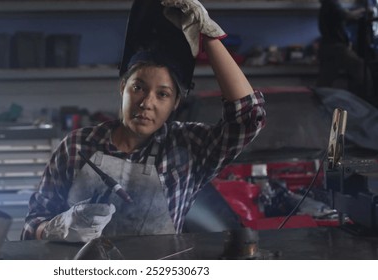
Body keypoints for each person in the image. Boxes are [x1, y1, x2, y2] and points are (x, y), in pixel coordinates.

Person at [20, 0, 266, 242]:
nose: (147, 102)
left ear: (176, 103)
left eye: (163, 94)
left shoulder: (188, 149)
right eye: (138, 87)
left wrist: (209, 36)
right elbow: (32, 226)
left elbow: (247, 118)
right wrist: (58, 228)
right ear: (122, 87)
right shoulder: (76, 146)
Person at [316, 0, 368, 98]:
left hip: (328, 47)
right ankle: (363, 99)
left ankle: (319, 99)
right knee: (359, 66)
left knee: (326, 78)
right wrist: (363, 10)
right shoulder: (331, 4)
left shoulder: (326, 5)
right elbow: (346, 15)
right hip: (337, 48)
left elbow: (343, 17)